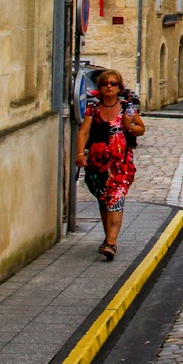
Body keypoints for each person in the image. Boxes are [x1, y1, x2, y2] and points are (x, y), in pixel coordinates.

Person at [74, 69, 145, 261]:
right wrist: (80, 153)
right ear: (100, 88)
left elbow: (140, 129)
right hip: (98, 165)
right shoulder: (93, 110)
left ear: (119, 87)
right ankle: (108, 239)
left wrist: (128, 125)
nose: (109, 87)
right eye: (105, 84)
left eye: (113, 84)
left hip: (121, 165)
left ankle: (112, 242)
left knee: (115, 200)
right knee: (104, 201)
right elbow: (83, 132)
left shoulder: (127, 108)